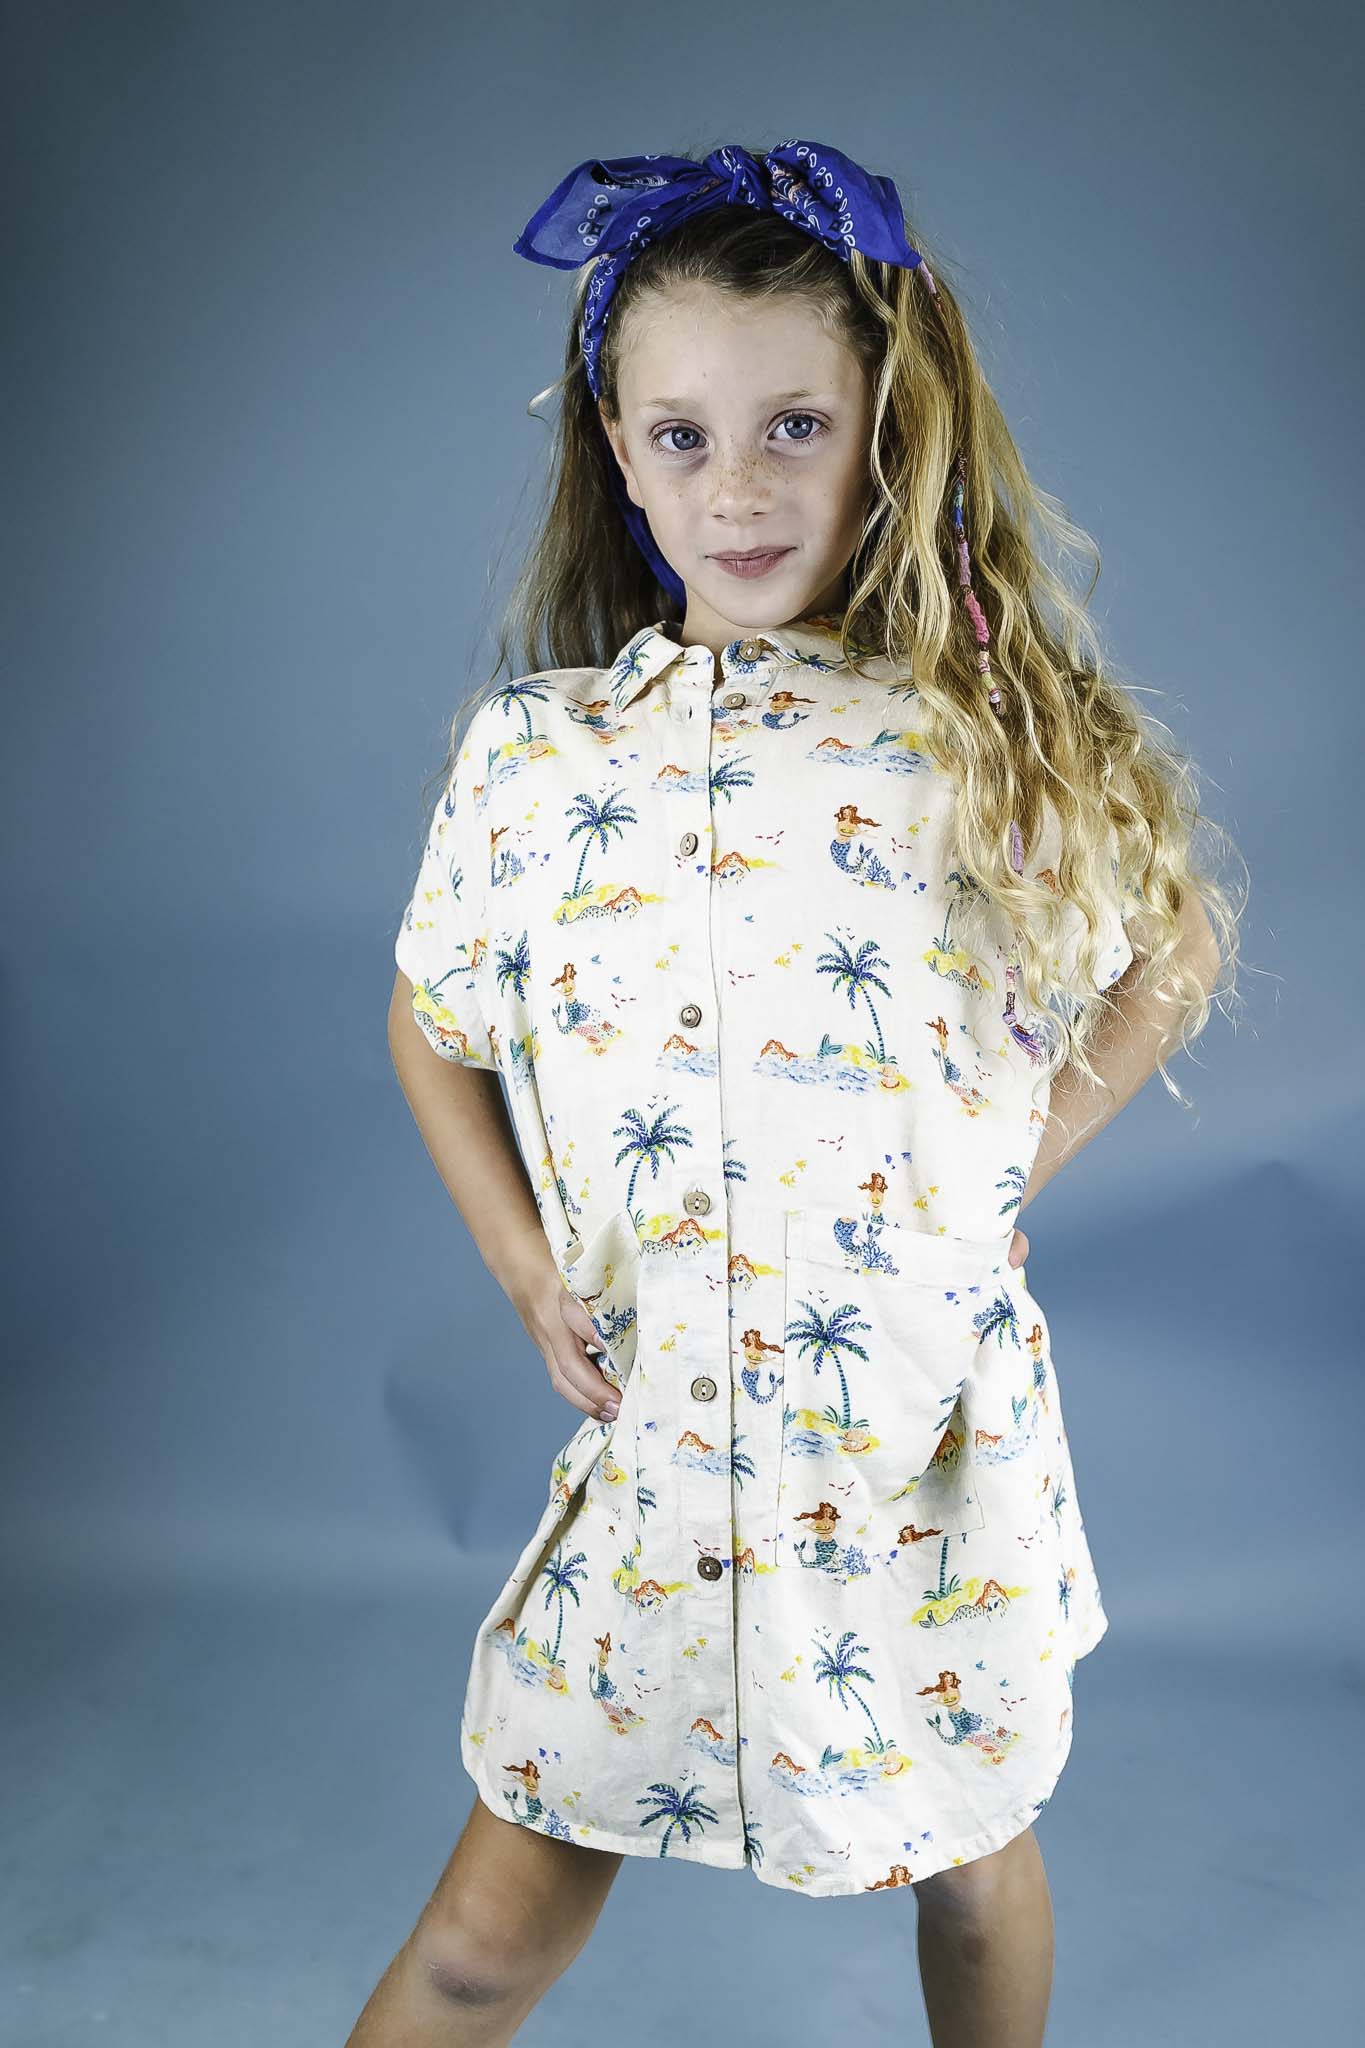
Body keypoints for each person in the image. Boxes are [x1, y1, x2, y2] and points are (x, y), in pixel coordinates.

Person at [348, 139, 1239, 2048]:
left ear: (884, 431)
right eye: (680, 437)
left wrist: (1001, 1165)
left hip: (911, 1448)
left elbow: (1170, 948)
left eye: (794, 428)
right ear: (614, 446)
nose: (736, 489)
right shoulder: (539, 760)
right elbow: (430, 1022)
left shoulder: (976, 745)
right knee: (485, 1937)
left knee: (969, 1862)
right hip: (661, 1449)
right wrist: (524, 1267)